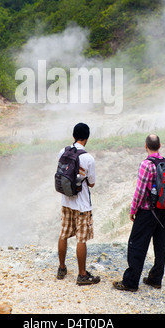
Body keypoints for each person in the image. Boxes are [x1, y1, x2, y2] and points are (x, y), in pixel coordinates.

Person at [113, 134, 165, 292]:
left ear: (146, 146)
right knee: (160, 246)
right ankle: (155, 279)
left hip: (147, 212)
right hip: (164, 211)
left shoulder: (146, 164)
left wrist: (133, 210)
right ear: (160, 146)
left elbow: (140, 190)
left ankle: (130, 282)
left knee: (137, 245)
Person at [57, 122, 100, 286]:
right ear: (87, 138)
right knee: (81, 239)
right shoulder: (88, 158)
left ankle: (61, 268)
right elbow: (91, 184)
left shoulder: (63, 151)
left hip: (66, 201)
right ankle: (82, 274)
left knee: (63, 234)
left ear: (73, 136)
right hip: (82, 205)